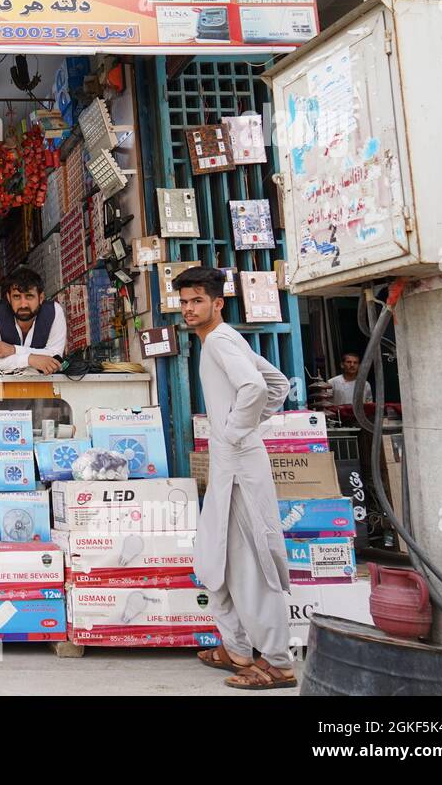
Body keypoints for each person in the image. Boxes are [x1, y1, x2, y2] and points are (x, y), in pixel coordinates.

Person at [175, 265, 296, 690]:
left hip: (241, 468)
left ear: (218, 303)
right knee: (216, 558)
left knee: (250, 564)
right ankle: (238, 648)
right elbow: (278, 384)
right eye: (185, 302)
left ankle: (277, 662)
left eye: (198, 301)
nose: (189, 309)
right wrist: (238, 430)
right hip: (231, 466)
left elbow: (258, 389)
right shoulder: (221, 340)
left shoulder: (221, 341)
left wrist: (233, 431)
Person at [0, 267, 66, 374]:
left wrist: (14, 350)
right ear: (8, 297)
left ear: (41, 297)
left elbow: (55, 357)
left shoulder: (54, 311)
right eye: (16, 297)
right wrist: (30, 359)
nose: (23, 304)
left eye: (29, 296)